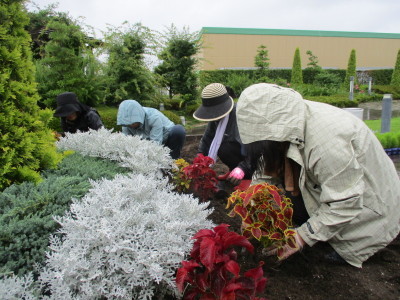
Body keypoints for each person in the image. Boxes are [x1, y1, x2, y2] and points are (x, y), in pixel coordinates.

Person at [236, 82, 400, 268]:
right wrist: (252, 209)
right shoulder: (282, 126)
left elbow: (345, 202)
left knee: (340, 249)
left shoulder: (327, 144)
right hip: (328, 187)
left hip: (369, 206)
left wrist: (300, 237)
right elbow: (265, 170)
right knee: (296, 209)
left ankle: (351, 243)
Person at [193, 83, 253, 191]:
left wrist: (243, 168)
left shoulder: (241, 116)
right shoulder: (216, 118)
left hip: (252, 156)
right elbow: (208, 139)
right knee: (221, 146)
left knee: (226, 146)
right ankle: (233, 170)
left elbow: (255, 149)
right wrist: (200, 156)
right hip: (237, 153)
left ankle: (248, 177)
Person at [117, 100, 185, 159]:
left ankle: (174, 159)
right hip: (145, 145)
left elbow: (155, 144)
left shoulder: (153, 117)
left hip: (166, 139)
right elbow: (126, 143)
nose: (130, 126)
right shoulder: (125, 124)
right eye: (128, 124)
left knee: (178, 130)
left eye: (133, 123)